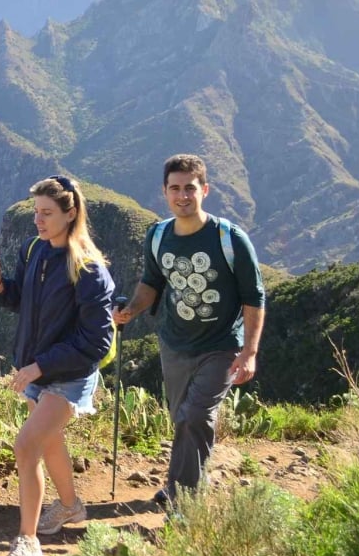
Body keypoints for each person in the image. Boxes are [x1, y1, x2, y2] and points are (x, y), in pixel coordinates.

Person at [0, 175, 115, 556]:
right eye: (36, 212)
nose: (38, 220)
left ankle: (28, 541)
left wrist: (41, 365)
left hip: (68, 373)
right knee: (48, 440)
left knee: (26, 445)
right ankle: (70, 506)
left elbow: (96, 342)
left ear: (71, 214)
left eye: (47, 213)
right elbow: (22, 300)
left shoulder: (89, 270)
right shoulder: (34, 250)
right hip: (37, 366)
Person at [110, 154, 265, 507]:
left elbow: (254, 297)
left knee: (196, 416)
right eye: (175, 188)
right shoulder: (158, 235)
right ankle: (182, 483)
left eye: (190, 188)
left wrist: (249, 352)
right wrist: (131, 310)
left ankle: (184, 504)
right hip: (175, 343)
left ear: (204, 190)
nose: (183, 196)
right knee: (182, 419)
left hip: (221, 345)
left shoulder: (230, 239)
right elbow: (152, 282)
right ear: (164, 192)